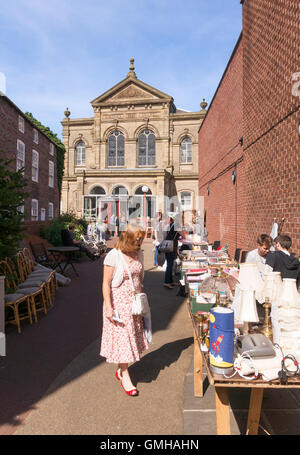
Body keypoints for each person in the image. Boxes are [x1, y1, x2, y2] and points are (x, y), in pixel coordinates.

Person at [100, 224, 149, 396]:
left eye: (141, 239)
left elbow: (139, 278)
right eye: (137, 239)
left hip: (134, 304)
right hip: (119, 303)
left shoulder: (138, 253)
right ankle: (125, 375)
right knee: (123, 340)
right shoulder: (114, 256)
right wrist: (108, 307)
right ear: (127, 237)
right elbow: (106, 283)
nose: (140, 241)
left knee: (131, 338)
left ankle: (121, 371)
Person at [163, 215, 181, 289]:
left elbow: (167, 234)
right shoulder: (177, 225)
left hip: (168, 245)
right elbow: (182, 234)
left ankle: (170, 281)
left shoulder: (170, 225)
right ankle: (167, 282)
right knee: (170, 264)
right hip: (171, 246)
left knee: (170, 263)